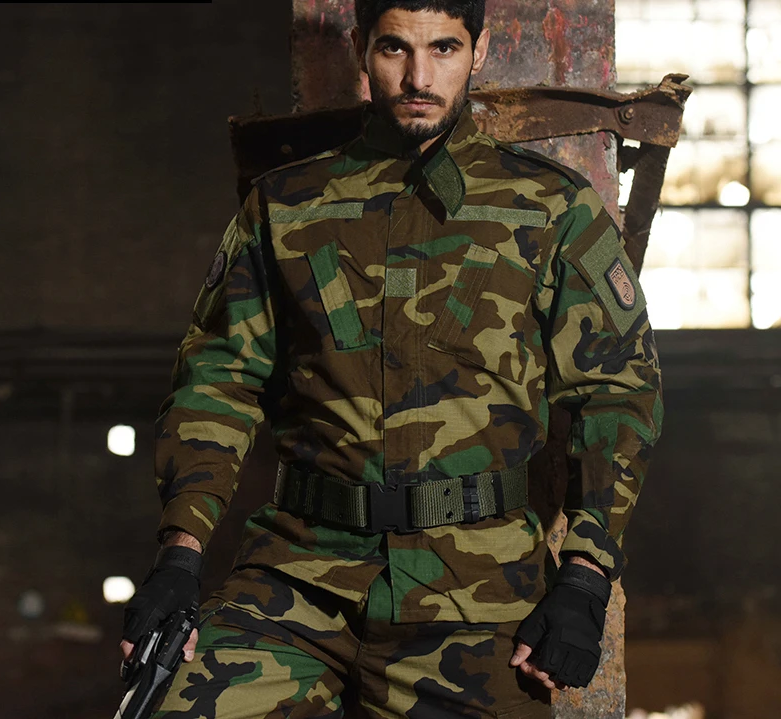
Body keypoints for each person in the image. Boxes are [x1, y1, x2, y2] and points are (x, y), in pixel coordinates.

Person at [120, 1, 663, 716]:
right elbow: (219, 379)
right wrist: (181, 553)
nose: (418, 78)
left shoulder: (551, 207)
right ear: (360, 49)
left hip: (477, 595)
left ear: (479, 51)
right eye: (394, 49)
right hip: (297, 580)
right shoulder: (284, 204)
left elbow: (617, 389)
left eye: (443, 49)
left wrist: (586, 576)